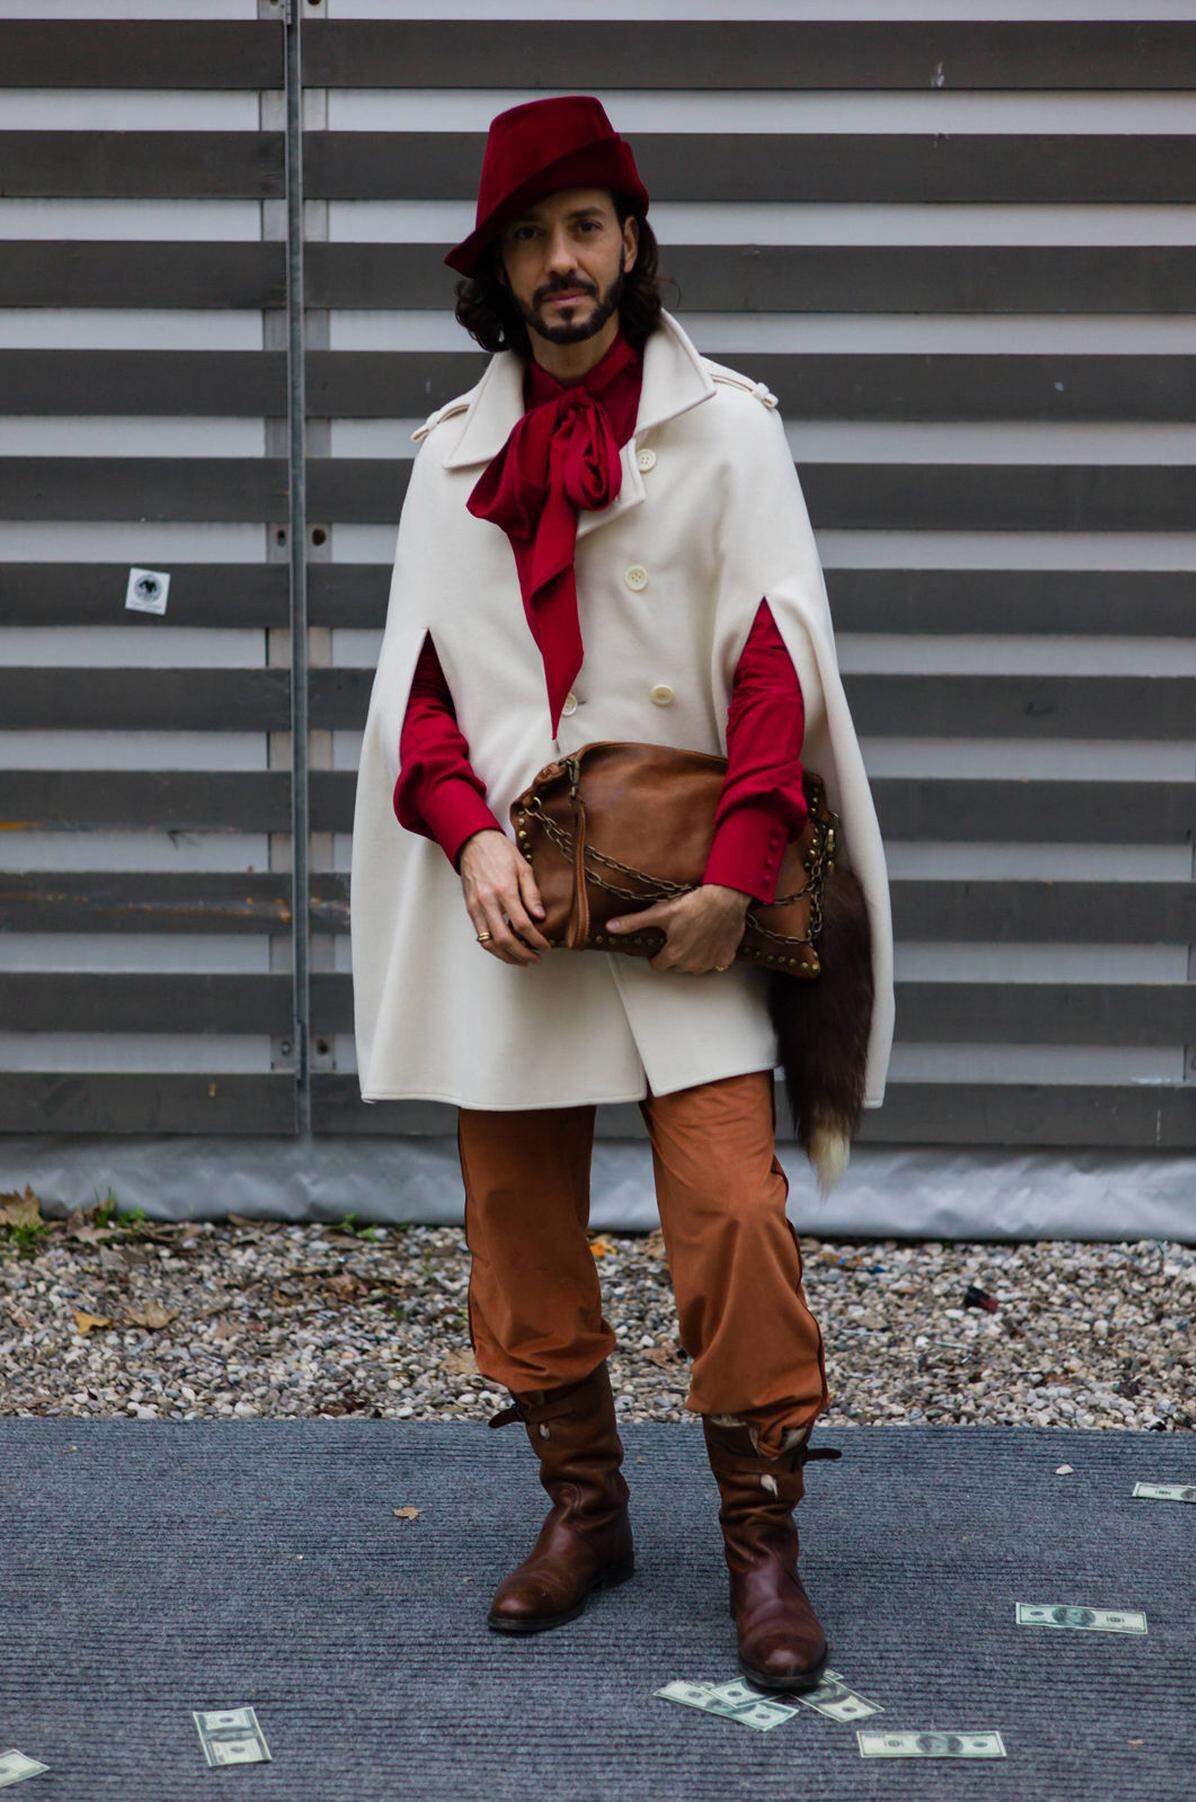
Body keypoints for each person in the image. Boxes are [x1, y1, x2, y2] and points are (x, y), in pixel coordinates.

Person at [350, 95, 895, 1692]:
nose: (559, 260)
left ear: (632, 245)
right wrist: (469, 839)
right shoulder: (451, 453)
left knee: (731, 1209)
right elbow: (421, 693)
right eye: (529, 236)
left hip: (682, 893)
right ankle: (585, 1509)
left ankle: (761, 1536)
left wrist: (740, 876)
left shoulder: (729, 427)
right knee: (517, 1223)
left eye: (584, 227)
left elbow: (775, 658)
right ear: (502, 273)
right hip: (522, 899)